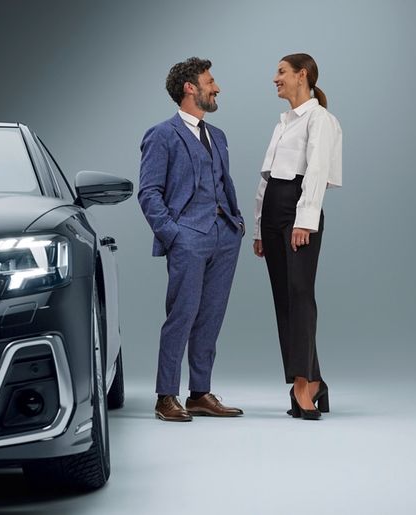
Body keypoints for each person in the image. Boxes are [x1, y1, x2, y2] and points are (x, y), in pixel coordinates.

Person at [138, 57, 246, 422]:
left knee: (210, 317)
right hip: (188, 237)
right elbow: (149, 193)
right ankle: (165, 396)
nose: (216, 88)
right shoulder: (161, 135)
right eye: (210, 81)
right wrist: (174, 235)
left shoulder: (218, 136)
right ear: (190, 87)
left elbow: (223, 184)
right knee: (181, 315)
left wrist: (237, 222)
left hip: (224, 237)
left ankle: (200, 393)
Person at [252, 53, 342, 420]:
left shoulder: (320, 120)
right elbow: (266, 178)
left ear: (301, 75)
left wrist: (304, 222)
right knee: (284, 299)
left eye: (281, 72)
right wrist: (259, 228)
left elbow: (317, 171)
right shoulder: (283, 123)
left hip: (297, 209)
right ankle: (314, 380)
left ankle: (302, 383)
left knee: (301, 295)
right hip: (273, 211)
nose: (275, 78)